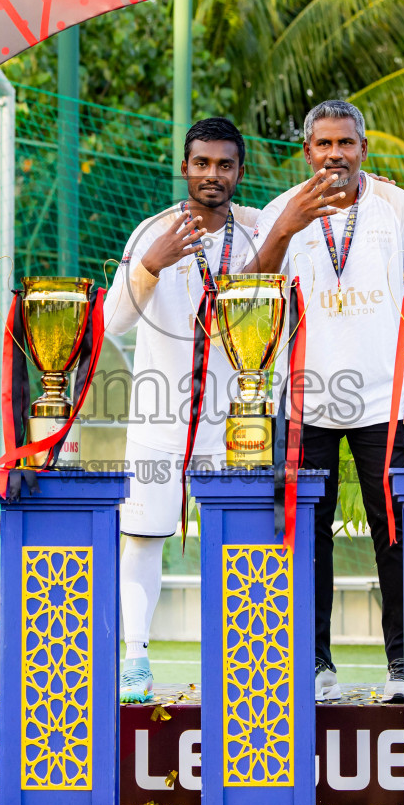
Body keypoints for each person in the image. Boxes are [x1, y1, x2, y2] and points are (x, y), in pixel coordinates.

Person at [246, 99, 404, 703]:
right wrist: (286, 227)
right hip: (303, 401)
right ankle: (315, 664)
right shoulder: (280, 212)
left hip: (387, 398)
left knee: (396, 534)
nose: (335, 155)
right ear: (307, 152)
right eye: (323, 145)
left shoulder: (398, 208)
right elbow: (249, 292)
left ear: (363, 149)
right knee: (305, 535)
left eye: (345, 144)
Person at [103, 116, 260, 702]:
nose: (212, 175)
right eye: (202, 163)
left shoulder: (258, 235)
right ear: (186, 167)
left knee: (241, 543)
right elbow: (114, 320)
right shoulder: (152, 230)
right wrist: (151, 262)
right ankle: (135, 662)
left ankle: (243, 666)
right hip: (156, 418)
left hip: (237, 424)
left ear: (240, 171)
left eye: (224, 164)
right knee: (141, 538)